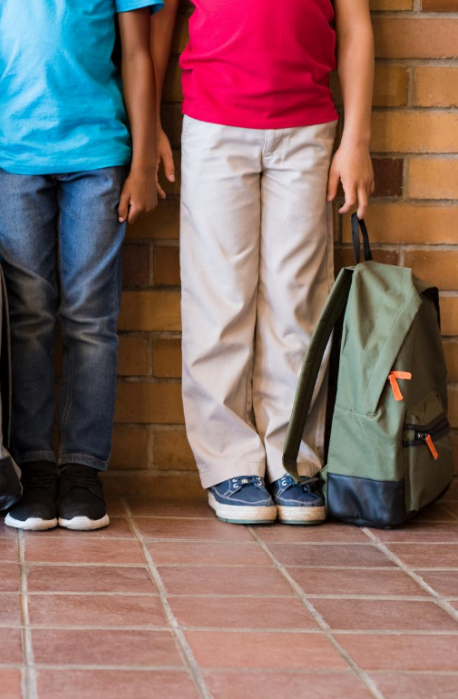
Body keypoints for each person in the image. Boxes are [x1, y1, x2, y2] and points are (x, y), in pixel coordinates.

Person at [152, 0, 375, 525]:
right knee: (219, 299)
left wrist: (356, 140)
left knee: (297, 299)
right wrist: (150, 128)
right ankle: (229, 460)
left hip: (307, 129)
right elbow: (159, 19)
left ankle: (293, 457)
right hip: (214, 124)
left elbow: (356, 26)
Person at [0, 0, 162, 531]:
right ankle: (34, 467)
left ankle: (82, 468)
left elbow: (138, 54)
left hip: (98, 158)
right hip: (11, 159)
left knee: (91, 318)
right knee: (27, 320)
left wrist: (142, 164)